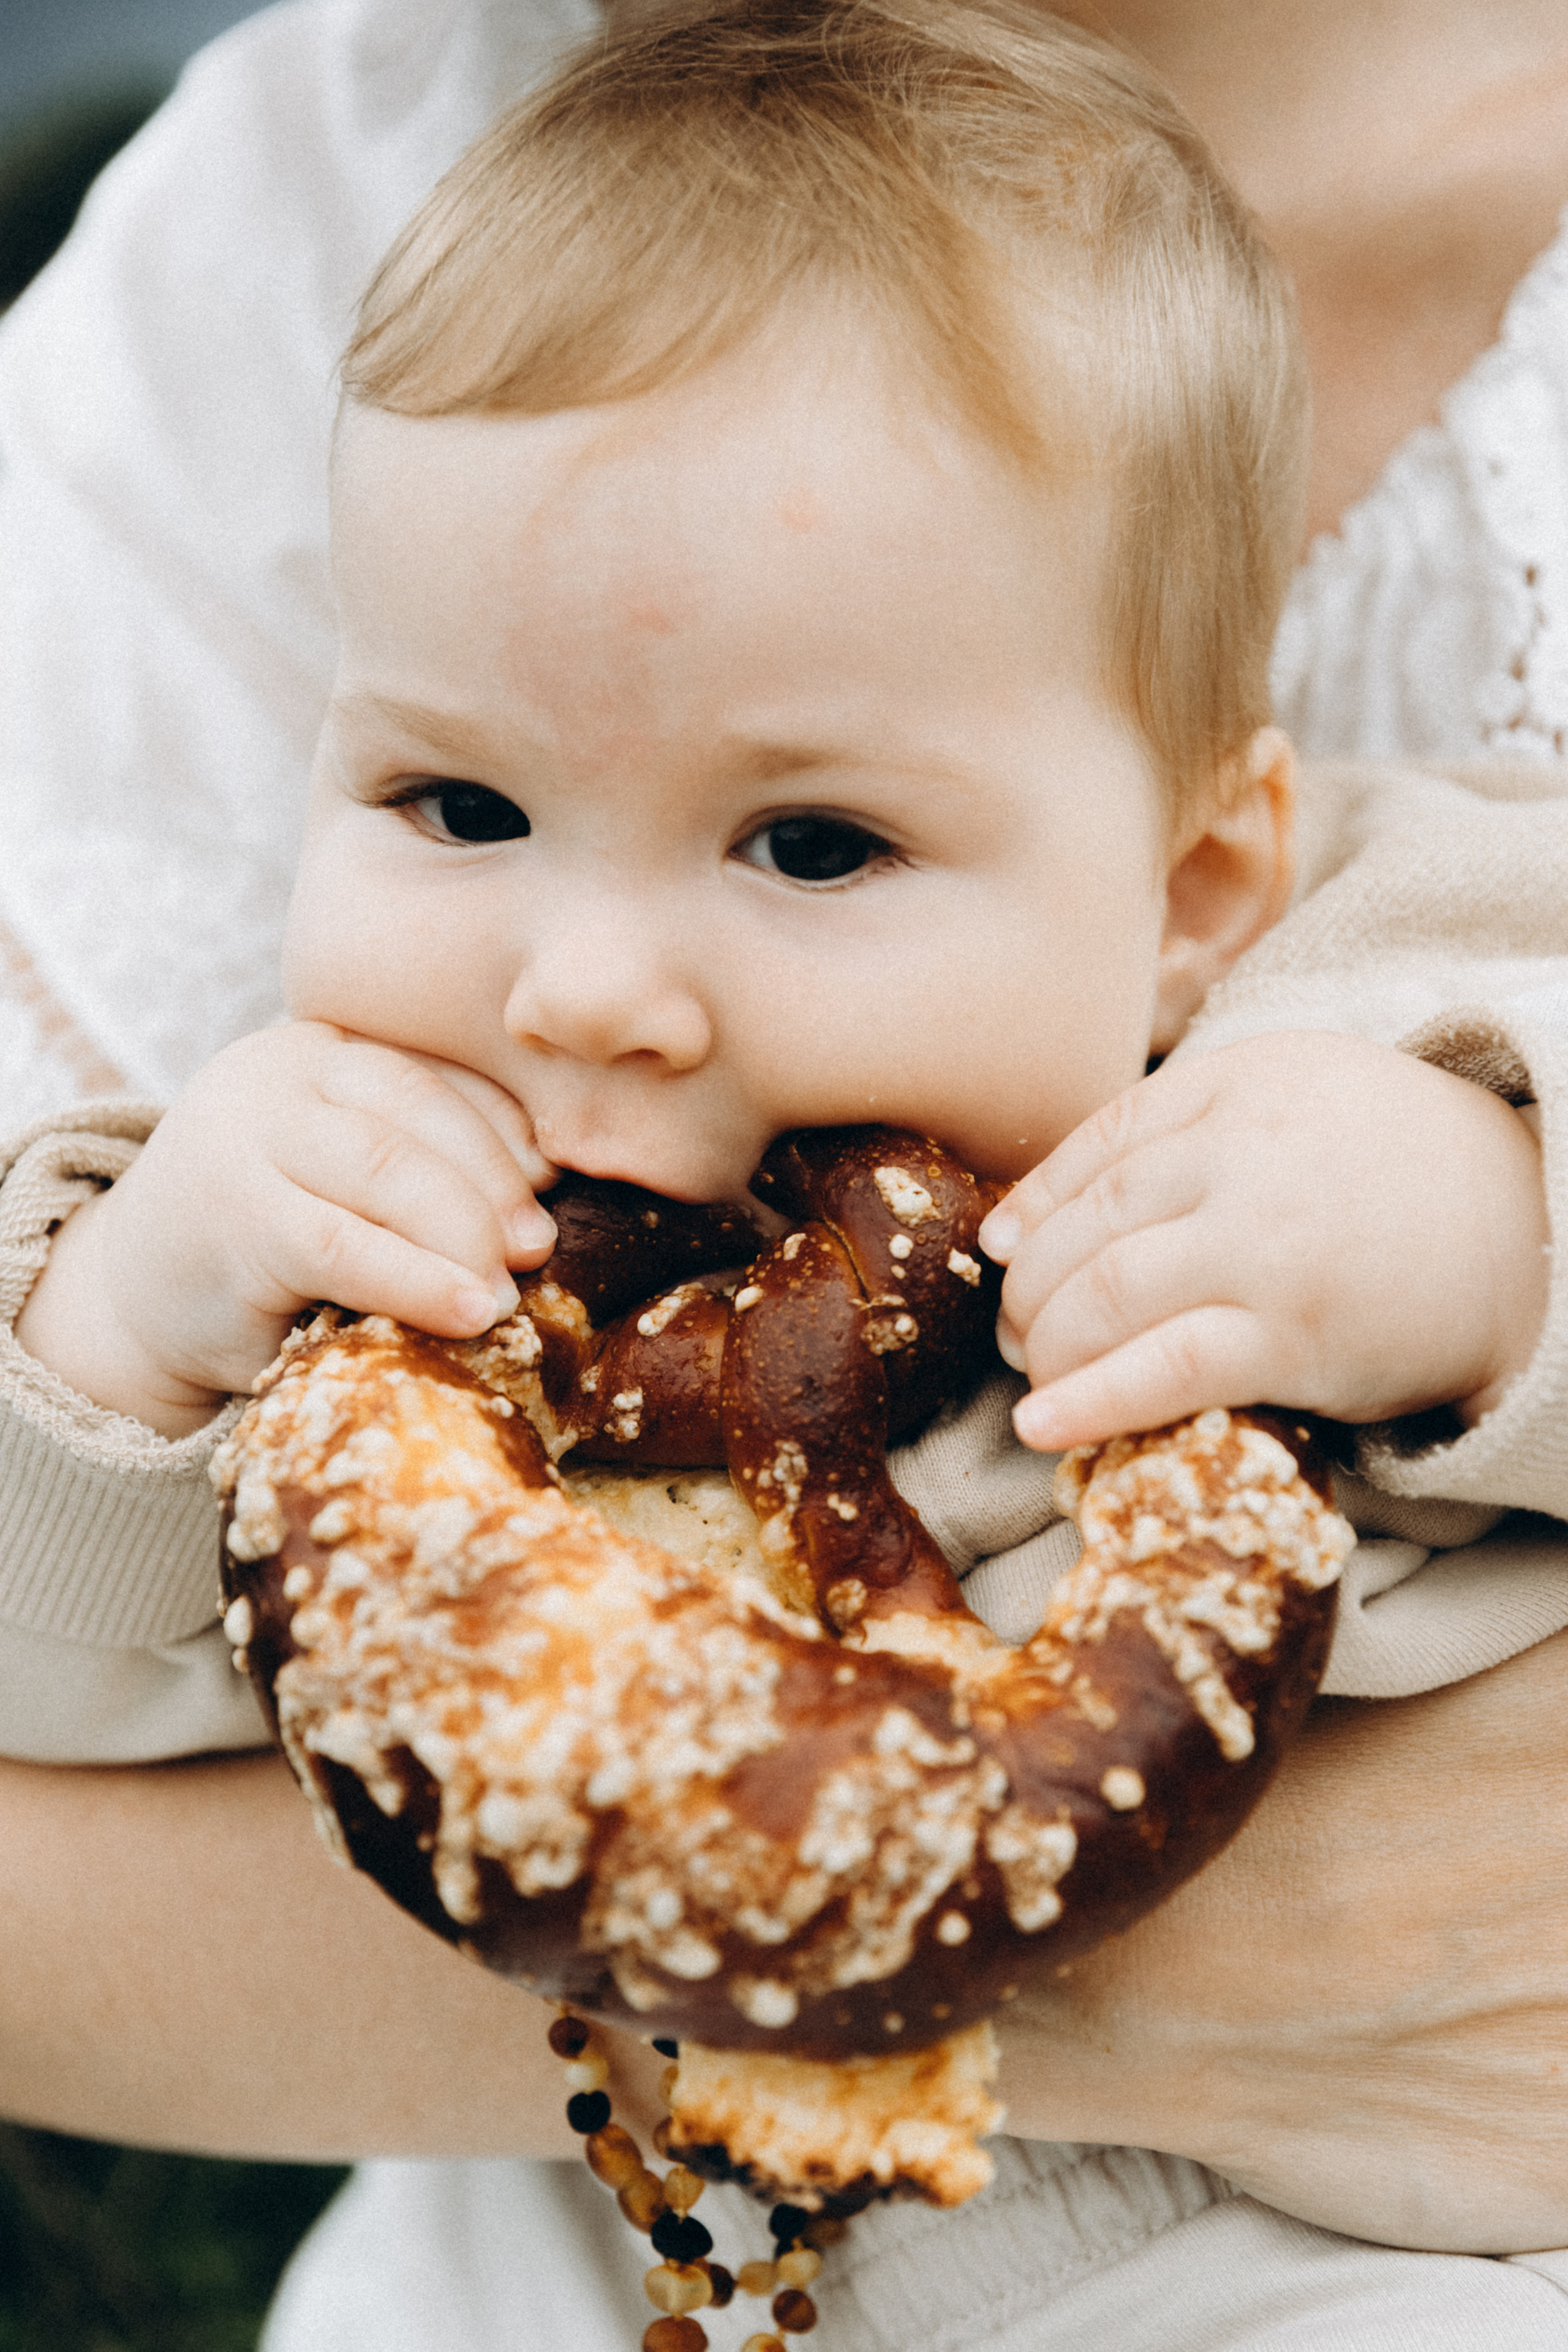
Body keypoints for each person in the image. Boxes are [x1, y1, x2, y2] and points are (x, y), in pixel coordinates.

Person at [0, 1, 1565, 2346]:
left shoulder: (1392, 982)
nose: (590, 990)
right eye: (457, 810)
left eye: (814, 842)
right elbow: (84, 1707)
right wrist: (116, 1342)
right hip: (613, 2253)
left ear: (1195, 879)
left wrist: (1485, 1241)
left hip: (1329, 2270)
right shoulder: (371, 1257)